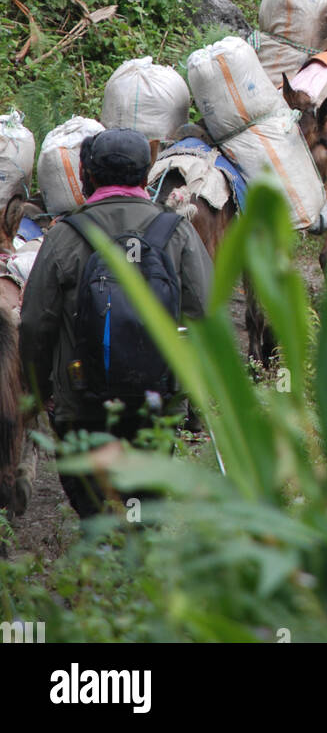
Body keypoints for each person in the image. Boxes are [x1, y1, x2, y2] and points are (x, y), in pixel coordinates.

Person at [19, 127, 213, 517]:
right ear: (146, 177)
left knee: (94, 504)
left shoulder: (65, 236)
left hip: (82, 400)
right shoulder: (177, 231)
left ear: (87, 176)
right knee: (141, 497)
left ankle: (105, 544)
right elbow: (206, 316)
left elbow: (37, 325)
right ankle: (136, 537)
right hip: (155, 401)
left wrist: (41, 394)